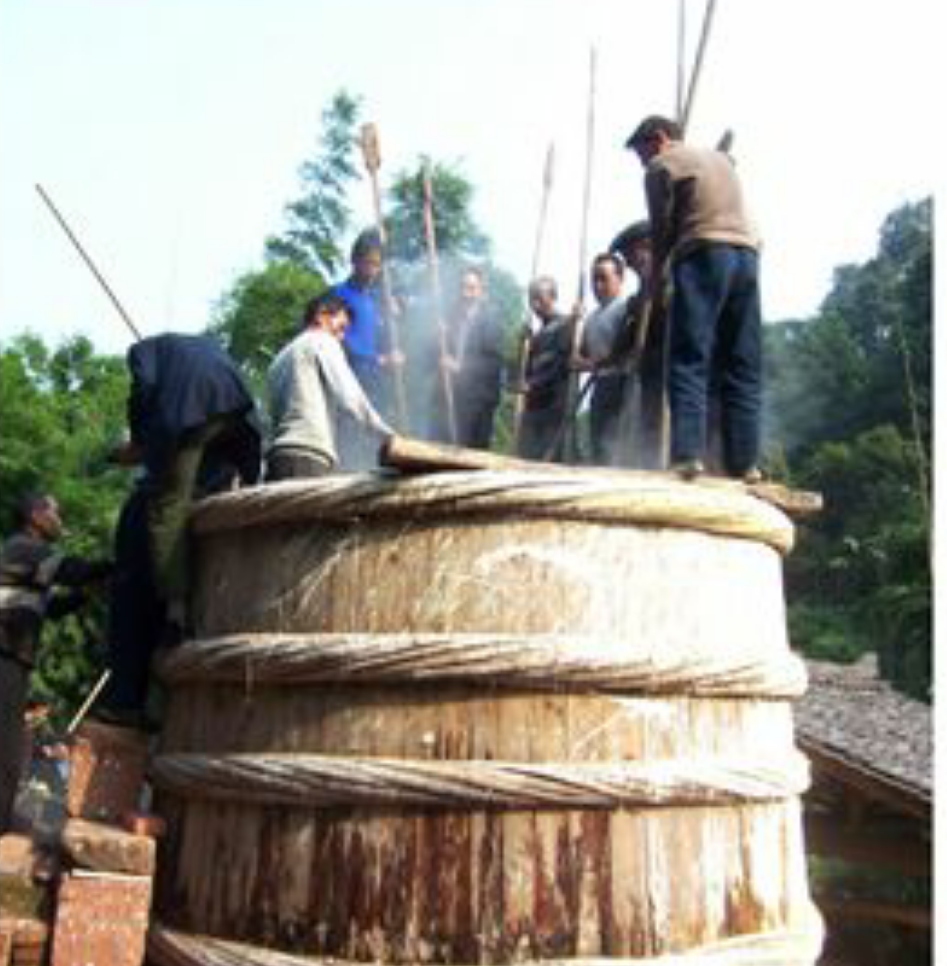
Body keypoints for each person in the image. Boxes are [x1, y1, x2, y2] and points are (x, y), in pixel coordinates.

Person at [625, 115, 763, 481]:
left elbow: (660, 230)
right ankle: (745, 462)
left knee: (689, 356)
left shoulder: (661, 165)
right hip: (747, 255)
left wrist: (655, 282)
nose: (642, 162)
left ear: (658, 139)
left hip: (705, 251)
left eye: (641, 153)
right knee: (741, 363)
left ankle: (687, 454)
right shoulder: (721, 161)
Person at [1, 493, 112, 833]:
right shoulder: (26, 548)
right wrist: (120, 566)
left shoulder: (24, 563)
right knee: (6, 744)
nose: (59, 520)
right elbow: (72, 570)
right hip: (4, 654)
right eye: (55, 513)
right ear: (36, 516)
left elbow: (50, 608)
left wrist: (82, 595)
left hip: (10, 655)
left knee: (9, 741)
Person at [266, 292, 394, 480]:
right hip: (308, 456)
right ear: (321, 316)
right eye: (341, 328)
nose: (342, 337)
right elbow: (351, 398)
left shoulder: (279, 360)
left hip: (278, 458)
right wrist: (388, 436)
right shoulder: (321, 340)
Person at [609, 221, 665, 470]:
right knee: (649, 430)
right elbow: (622, 347)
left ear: (647, 247)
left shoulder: (675, 281)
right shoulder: (638, 297)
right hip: (650, 381)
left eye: (632, 258)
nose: (630, 266)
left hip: (674, 381)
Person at [331, 229, 404, 415]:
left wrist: (395, 318)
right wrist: (378, 360)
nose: (373, 270)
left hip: (376, 390)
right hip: (347, 386)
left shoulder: (377, 299)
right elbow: (337, 344)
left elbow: (383, 339)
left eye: (377, 265)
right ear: (354, 260)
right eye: (368, 263)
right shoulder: (337, 296)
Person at [433, 266, 503, 449]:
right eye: (463, 287)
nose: (466, 293)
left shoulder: (491, 320)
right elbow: (439, 354)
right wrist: (439, 336)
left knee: (473, 452)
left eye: (472, 288)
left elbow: (493, 364)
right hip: (456, 398)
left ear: (481, 291)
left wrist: (460, 367)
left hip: (480, 401)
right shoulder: (452, 319)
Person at [573, 252, 633, 466]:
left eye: (603, 278)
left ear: (619, 278)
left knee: (616, 444)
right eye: (594, 280)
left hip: (623, 386)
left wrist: (592, 364)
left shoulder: (626, 309)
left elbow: (627, 351)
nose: (598, 285)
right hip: (600, 387)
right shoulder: (591, 319)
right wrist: (575, 324)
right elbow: (580, 356)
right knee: (598, 443)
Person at [516, 276, 575, 462]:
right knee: (527, 456)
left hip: (554, 407)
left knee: (550, 459)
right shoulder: (535, 335)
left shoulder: (566, 325)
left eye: (539, 298)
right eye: (531, 299)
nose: (535, 304)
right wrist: (522, 346)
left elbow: (559, 366)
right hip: (534, 408)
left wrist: (532, 385)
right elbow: (524, 370)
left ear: (553, 297)